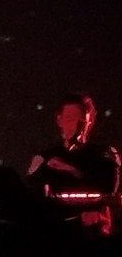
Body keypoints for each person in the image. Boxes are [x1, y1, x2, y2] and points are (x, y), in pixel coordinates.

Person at [26, 93, 121, 237]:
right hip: (57, 237)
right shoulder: (44, 159)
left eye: (81, 121)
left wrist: (72, 170)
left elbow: (109, 189)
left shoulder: (105, 155)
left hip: (95, 237)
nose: (76, 126)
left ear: (90, 122)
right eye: (70, 119)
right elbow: (34, 200)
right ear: (60, 121)